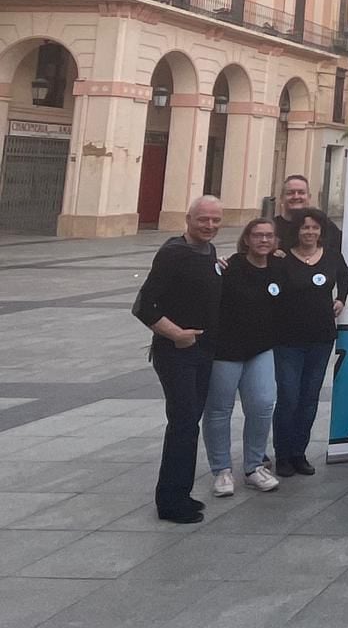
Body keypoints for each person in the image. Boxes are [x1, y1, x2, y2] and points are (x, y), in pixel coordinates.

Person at [133, 195, 223, 523]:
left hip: (203, 352)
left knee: (189, 424)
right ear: (188, 219)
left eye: (215, 220)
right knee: (183, 424)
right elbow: (144, 305)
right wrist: (176, 334)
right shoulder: (173, 254)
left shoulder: (208, 251)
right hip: (177, 353)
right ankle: (170, 503)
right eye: (203, 220)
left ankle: (180, 492)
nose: (210, 226)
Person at [203, 217, 284, 497]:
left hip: (260, 349)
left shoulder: (278, 267)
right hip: (225, 351)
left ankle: (253, 466)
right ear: (247, 239)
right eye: (258, 235)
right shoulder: (230, 267)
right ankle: (222, 470)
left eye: (269, 236)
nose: (264, 240)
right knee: (219, 410)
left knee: (262, 405)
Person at [273, 206, 348, 477]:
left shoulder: (330, 256)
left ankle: (298, 453)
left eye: (315, 227)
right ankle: (282, 454)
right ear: (297, 230)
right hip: (288, 340)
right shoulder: (282, 259)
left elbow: (345, 275)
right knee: (288, 397)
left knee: (309, 399)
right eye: (305, 227)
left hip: (321, 338)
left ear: (321, 231)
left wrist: (342, 298)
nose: (310, 232)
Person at [273, 173, 342, 256]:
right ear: (281, 197)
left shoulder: (325, 225)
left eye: (301, 192)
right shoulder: (272, 227)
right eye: (290, 193)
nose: (296, 196)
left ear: (309, 197)